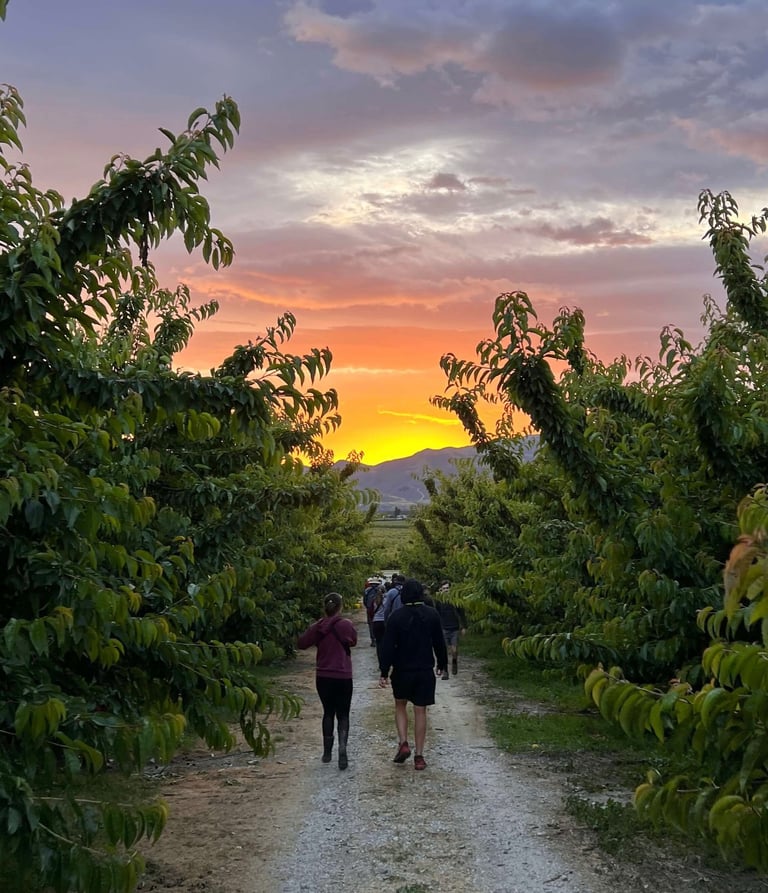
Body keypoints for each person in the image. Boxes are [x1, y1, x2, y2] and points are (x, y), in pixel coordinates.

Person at [378, 578, 448, 770]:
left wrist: (384, 671)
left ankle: (403, 743)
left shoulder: (396, 617)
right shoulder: (432, 614)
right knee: (420, 710)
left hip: (402, 670)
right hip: (424, 670)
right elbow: (439, 643)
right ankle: (419, 756)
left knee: (400, 704)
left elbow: (387, 647)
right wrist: (442, 663)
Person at [297, 592, 357, 770]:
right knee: (343, 714)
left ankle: (327, 752)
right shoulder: (346, 624)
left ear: (325, 607)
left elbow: (301, 643)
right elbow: (353, 641)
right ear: (341, 606)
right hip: (343, 675)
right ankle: (343, 748)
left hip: (323, 675)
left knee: (328, 712)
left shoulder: (318, 626)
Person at [434, 581, 467, 679]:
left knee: (454, 650)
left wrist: (464, 626)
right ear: (441, 590)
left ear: (451, 589)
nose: (446, 590)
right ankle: (445, 671)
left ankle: (454, 661)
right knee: (444, 651)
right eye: (444, 588)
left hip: (454, 628)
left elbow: (462, 613)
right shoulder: (439, 601)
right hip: (443, 628)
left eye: (447, 588)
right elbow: (436, 614)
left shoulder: (456, 600)